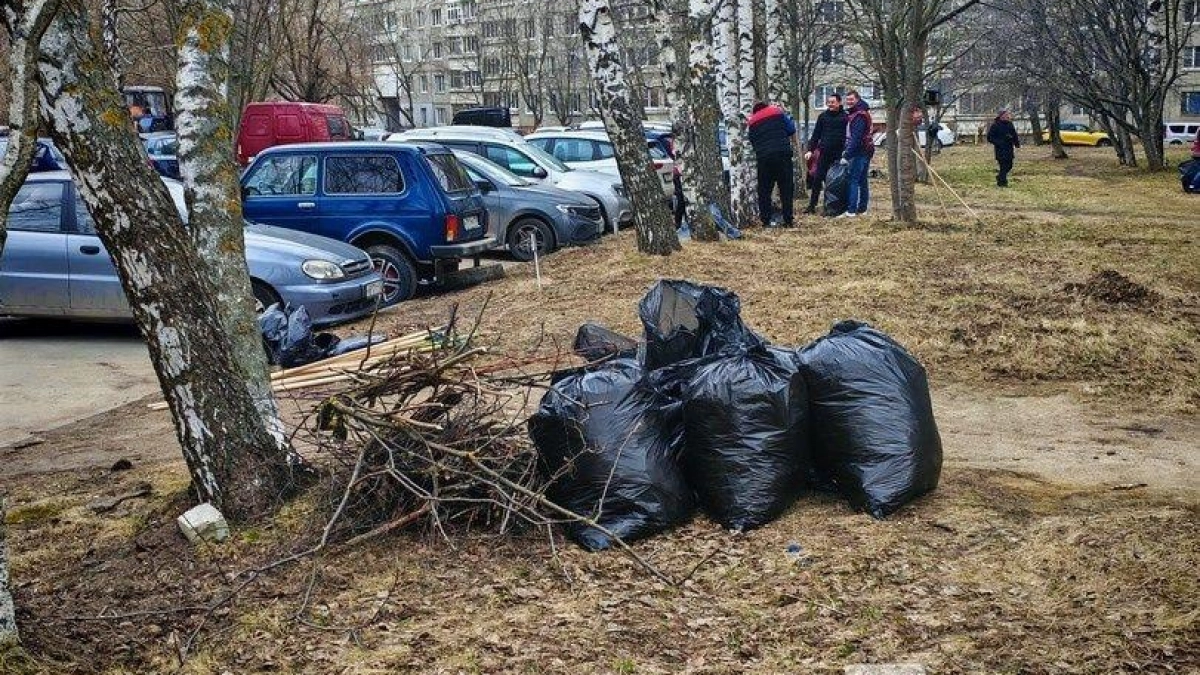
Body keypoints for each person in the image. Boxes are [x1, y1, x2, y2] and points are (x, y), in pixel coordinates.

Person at [747, 100, 798, 227]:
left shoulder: (752, 122)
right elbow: (791, 129)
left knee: (764, 190)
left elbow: (752, 141)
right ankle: (788, 220)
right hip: (782, 154)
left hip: (764, 158)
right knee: (786, 188)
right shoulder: (777, 112)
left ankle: (765, 220)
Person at [803, 93, 846, 214]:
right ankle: (812, 206)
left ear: (839, 103)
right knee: (817, 179)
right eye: (829, 102)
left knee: (834, 182)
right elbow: (816, 134)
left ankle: (832, 207)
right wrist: (810, 150)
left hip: (839, 155)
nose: (830, 104)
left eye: (833, 102)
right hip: (824, 154)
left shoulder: (844, 117)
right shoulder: (823, 117)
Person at [838, 90, 873, 218]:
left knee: (853, 180)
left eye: (851, 99)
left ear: (858, 99)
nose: (849, 102)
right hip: (865, 150)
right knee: (863, 180)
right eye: (847, 100)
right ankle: (862, 209)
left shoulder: (859, 116)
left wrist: (847, 155)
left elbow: (856, 138)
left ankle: (851, 210)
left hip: (859, 151)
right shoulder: (860, 113)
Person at [986, 108, 1020, 187]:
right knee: (1003, 166)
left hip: (1009, 148)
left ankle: (1000, 177)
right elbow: (990, 137)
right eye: (1006, 114)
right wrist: (999, 142)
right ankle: (1002, 183)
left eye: (1008, 114)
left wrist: (1016, 143)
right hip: (1000, 150)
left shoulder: (1010, 124)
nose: (1008, 116)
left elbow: (1014, 134)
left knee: (1009, 165)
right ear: (1001, 116)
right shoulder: (995, 125)